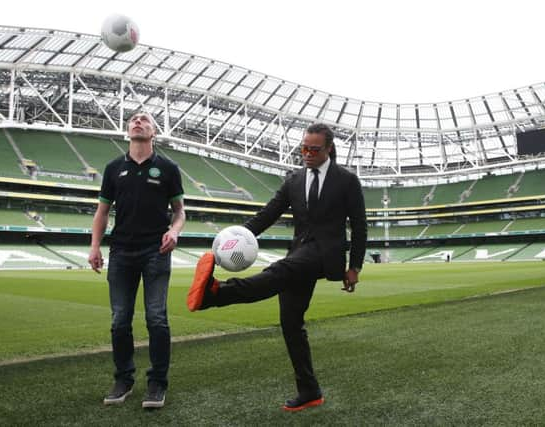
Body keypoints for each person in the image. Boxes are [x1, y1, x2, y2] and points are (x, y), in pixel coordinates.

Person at [187, 122, 367, 411]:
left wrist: (354, 266)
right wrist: (233, 239)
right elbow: (268, 214)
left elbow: (359, 225)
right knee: (291, 324)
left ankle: (215, 294)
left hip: (325, 254)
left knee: (279, 271)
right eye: (303, 148)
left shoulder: (346, 180)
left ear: (329, 149)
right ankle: (310, 392)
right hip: (300, 250)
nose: (306, 153)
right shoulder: (294, 179)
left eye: (314, 149)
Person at [88, 111, 185, 409]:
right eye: (133, 119)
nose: (138, 122)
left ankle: (157, 384)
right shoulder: (113, 168)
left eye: (144, 120)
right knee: (119, 321)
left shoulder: (168, 168)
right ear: (128, 130)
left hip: (156, 251)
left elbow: (180, 212)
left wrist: (174, 230)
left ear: (154, 132)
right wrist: (95, 247)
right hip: (121, 252)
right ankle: (124, 379)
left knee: (156, 319)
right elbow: (102, 212)